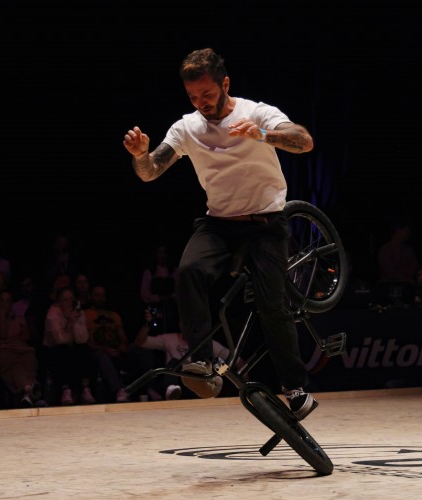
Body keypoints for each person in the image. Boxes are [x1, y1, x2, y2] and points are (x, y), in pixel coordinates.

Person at [122, 47, 317, 418]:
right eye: (194, 97)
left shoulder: (255, 112)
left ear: (225, 84)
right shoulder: (186, 127)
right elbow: (150, 173)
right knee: (189, 272)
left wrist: (262, 135)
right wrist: (140, 155)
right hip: (219, 224)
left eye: (208, 95)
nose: (202, 104)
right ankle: (201, 363)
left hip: (265, 223)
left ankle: (295, 388)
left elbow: (304, 141)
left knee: (271, 306)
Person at [0, 290, 39, 407]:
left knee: (28, 359)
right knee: (12, 364)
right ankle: (30, 389)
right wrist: (2, 317)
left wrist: (8, 339)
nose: (4, 303)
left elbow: (26, 335)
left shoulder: (19, 319)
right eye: (2, 300)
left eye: (8, 301)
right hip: (3, 352)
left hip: (22, 349)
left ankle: (26, 393)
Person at [42, 287, 97, 405]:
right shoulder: (53, 314)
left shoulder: (78, 312)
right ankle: (65, 390)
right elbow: (61, 340)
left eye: (71, 299)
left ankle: (85, 389)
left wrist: (74, 319)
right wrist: (70, 321)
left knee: (84, 350)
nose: (68, 303)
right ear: (59, 302)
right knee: (62, 351)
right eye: (65, 300)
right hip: (53, 349)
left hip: (74, 346)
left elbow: (82, 339)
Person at [84, 284, 130, 403]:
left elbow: (123, 338)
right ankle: (119, 389)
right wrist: (105, 349)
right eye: (97, 295)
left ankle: (148, 390)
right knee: (101, 355)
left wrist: (121, 347)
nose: (100, 298)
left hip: (114, 349)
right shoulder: (85, 314)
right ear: (91, 296)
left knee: (136, 351)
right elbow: (85, 342)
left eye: (102, 295)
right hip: (96, 351)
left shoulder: (114, 315)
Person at [377, 217, 420, 283]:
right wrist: (405, 279)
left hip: (407, 286)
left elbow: (414, 267)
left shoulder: (409, 249)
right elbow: (388, 271)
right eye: (407, 230)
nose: (409, 233)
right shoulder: (386, 250)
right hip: (390, 287)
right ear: (397, 230)